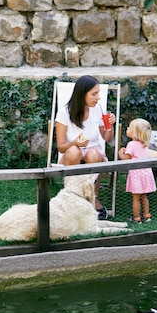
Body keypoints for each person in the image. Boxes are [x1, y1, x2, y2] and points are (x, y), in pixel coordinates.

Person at [55, 75, 116, 219]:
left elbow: (107, 138)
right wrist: (74, 143)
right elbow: (61, 147)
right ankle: (72, 197)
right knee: (74, 152)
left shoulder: (98, 109)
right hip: (71, 153)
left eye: (98, 93)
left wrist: (110, 126)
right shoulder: (64, 113)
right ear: (82, 95)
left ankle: (93, 198)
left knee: (93, 154)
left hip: (93, 153)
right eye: (94, 94)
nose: (98, 97)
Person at [118, 118, 156, 224]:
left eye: (129, 127)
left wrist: (120, 152)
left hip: (136, 174)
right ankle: (147, 216)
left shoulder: (131, 144)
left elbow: (126, 158)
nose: (127, 128)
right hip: (146, 173)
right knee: (144, 196)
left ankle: (137, 218)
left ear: (134, 135)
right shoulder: (145, 144)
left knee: (135, 197)